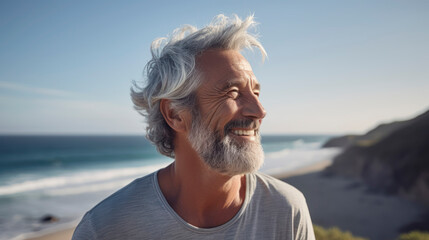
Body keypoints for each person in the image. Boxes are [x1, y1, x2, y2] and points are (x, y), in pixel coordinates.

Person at [72, 14, 315, 240]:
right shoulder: (105, 228)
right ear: (175, 114)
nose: (260, 111)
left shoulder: (286, 211)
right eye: (232, 92)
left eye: (256, 92)